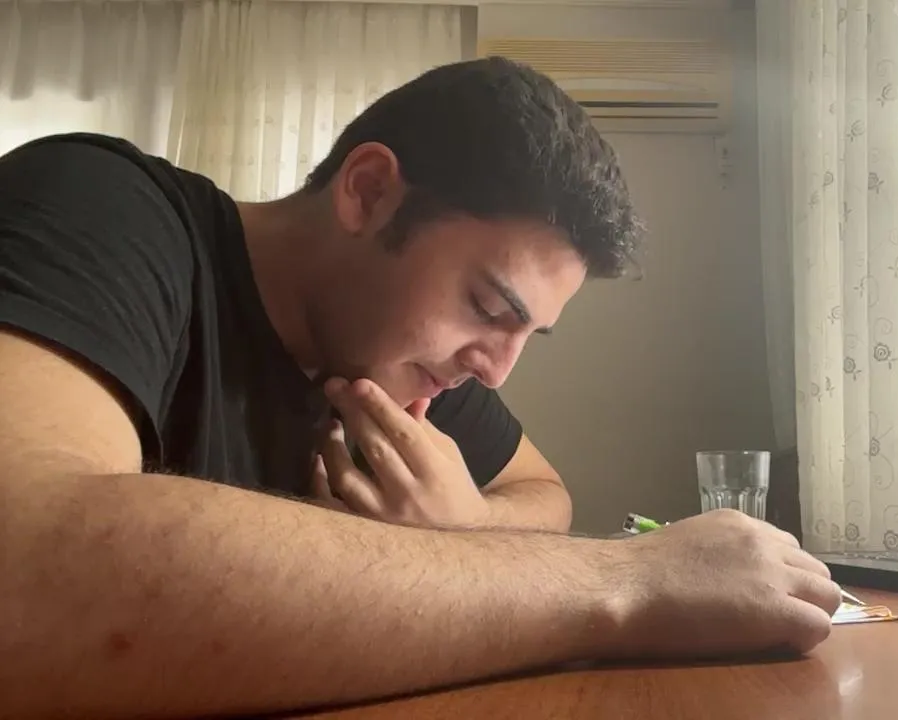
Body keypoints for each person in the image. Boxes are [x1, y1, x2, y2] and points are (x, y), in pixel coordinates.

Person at [0, 57, 842, 718]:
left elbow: (541, 491)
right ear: (368, 192)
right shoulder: (102, 210)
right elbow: (24, 569)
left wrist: (470, 525)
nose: (497, 367)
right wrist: (628, 583)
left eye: (527, 334)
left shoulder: (404, 365)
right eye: (489, 309)